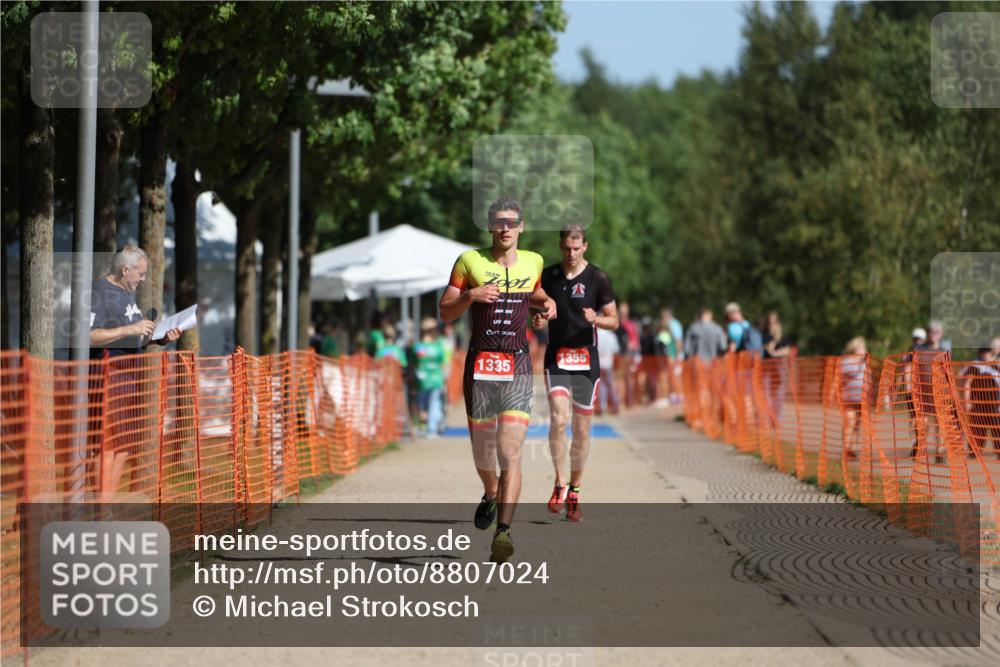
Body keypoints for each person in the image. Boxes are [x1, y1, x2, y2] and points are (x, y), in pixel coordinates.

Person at [439, 197, 555, 563]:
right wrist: (471, 296)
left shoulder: (534, 261)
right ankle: (490, 493)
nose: (505, 227)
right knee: (484, 453)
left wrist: (546, 305)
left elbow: (534, 294)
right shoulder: (469, 262)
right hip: (480, 367)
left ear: (521, 227)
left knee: (510, 452)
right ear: (489, 227)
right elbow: (444, 312)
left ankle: (503, 532)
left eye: (512, 222)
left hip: (518, 365)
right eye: (498, 222)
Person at [534, 224, 618, 523]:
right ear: (560, 246)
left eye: (577, 248)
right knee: (558, 420)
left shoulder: (598, 278)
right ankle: (559, 482)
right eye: (566, 248)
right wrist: (540, 320)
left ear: (585, 246)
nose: (571, 253)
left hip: (586, 361)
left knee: (581, 431)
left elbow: (615, 320)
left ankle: (575, 492)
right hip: (557, 358)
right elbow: (536, 314)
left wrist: (597, 318)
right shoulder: (548, 277)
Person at [89, 245, 182, 356]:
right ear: (125, 270)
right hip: (107, 371)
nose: (143, 279)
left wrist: (161, 338)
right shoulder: (99, 292)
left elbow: (135, 338)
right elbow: (88, 337)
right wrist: (131, 329)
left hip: (130, 371)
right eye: (140, 274)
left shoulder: (126, 290)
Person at [959, 346, 1000, 459]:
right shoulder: (975, 365)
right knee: (977, 430)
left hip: (994, 404)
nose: (985, 354)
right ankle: (974, 452)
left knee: (997, 430)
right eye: (983, 351)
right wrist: (966, 402)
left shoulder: (995, 366)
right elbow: (967, 383)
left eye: (988, 351)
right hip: (978, 404)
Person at [413, 318, 446, 437]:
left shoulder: (418, 346)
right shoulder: (438, 346)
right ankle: (431, 429)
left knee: (423, 404)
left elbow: (414, 361)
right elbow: (442, 362)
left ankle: (426, 427)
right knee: (434, 403)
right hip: (435, 379)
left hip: (423, 379)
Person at [761, 311, 792, 425]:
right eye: (770, 322)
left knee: (779, 395)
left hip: (779, 368)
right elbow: (769, 349)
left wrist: (775, 353)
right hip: (766, 368)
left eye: (774, 322)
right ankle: (769, 419)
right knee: (766, 395)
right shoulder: (765, 336)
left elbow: (787, 350)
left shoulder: (783, 337)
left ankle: (777, 420)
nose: (772, 324)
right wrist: (774, 339)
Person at [840, 337, 868, 459]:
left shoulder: (864, 362)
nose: (864, 349)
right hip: (848, 398)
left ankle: (849, 448)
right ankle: (845, 449)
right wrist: (860, 363)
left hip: (861, 399)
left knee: (856, 424)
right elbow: (850, 372)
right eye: (862, 347)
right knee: (850, 422)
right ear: (854, 348)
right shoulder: (846, 361)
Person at [616, 301, 641, 407]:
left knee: (628, 378)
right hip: (617, 355)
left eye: (624, 312)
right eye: (621, 312)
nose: (622, 314)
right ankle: (621, 401)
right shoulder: (617, 324)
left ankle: (629, 401)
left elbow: (635, 341)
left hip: (627, 355)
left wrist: (631, 348)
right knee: (619, 379)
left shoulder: (630, 325)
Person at [596, 325, 621, 415]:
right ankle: (615, 404)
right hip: (608, 363)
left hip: (598, 363)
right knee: (610, 385)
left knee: (601, 385)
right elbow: (615, 350)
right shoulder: (611, 335)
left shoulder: (596, 334)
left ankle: (602, 405)